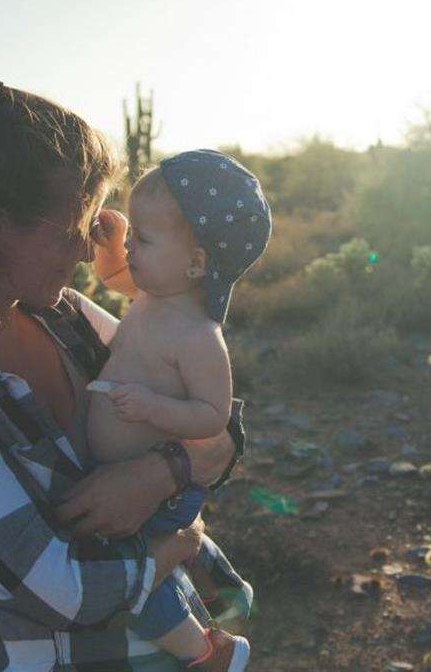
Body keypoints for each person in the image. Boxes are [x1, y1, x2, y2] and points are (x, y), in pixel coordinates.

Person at [0, 65, 248, 672]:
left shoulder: (62, 315)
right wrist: (180, 540)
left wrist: (158, 472)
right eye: (75, 224)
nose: (89, 248)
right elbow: (60, 591)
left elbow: (221, 431)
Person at [83, 151, 270, 670]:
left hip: (154, 489)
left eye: (144, 239)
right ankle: (222, 581)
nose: (132, 252)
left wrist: (152, 407)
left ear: (196, 262)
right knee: (169, 547)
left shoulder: (197, 336)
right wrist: (115, 242)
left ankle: (207, 653)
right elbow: (116, 276)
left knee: (138, 575)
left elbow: (213, 415)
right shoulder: (154, 294)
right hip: (125, 472)